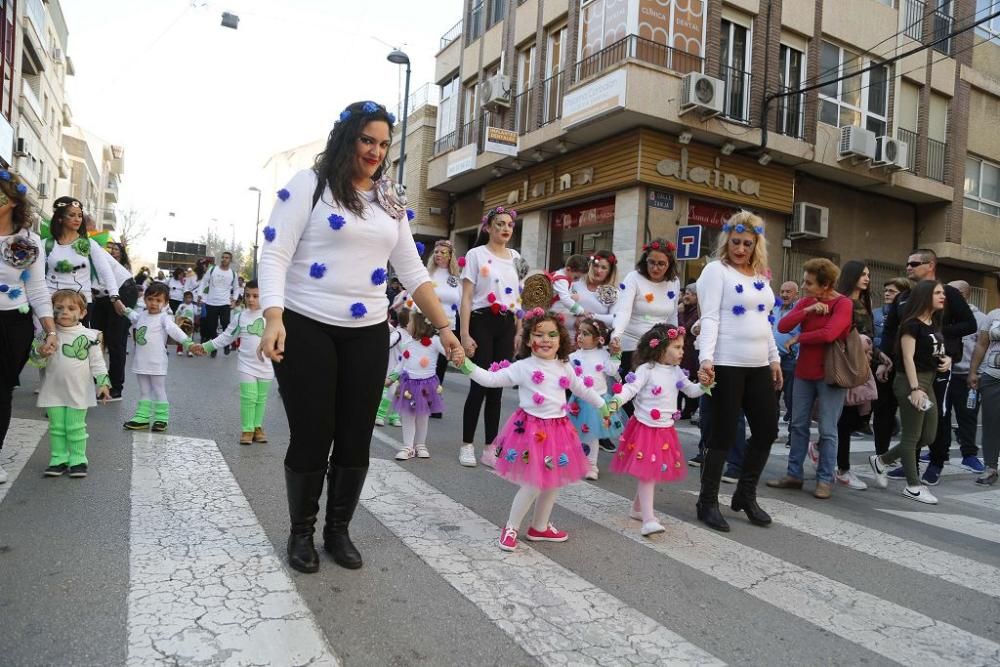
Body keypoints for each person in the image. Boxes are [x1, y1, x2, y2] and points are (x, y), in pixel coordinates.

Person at [257, 100, 463, 575]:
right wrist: (273, 317)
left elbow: (412, 270)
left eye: (384, 143)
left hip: (367, 332)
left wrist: (447, 330)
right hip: (306, 324)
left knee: (354, 438)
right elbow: (274, 256)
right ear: (347, 138)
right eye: (367, 140)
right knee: (313, 434)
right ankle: (301, 533)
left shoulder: (389, 199)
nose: (375, 151)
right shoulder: (308, 186)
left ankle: (338, 530)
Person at [455, 309, 608, 551]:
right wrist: (466, 365)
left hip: (559, 430)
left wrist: (602, 405)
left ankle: (540, 526)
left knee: (554, 481)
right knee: (535, 482)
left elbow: (581, 389)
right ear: (528, 340)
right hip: (532, 432)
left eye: (552, 335)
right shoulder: (523, 367)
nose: (546, 340)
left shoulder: (564, 366)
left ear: (561, 339)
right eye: (539, 334)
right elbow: (490, 379)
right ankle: (511, 526)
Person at [695, 212, 781, 532]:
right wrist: (706, 360)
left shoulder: (761, 275)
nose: (741, 249)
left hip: (758, 365)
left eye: (747, 243)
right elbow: (711, 318)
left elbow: (764, 321)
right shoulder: (716, 271)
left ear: (756, 243)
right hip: (726, 363)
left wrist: (773, 358)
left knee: (767, 430)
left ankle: (745, 495)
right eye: (735, 242)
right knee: (722, 435)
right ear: (726, 241)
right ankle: (707, 501)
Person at [878, 249, 976, 485]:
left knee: (937, 418)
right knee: (911, 419)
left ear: (930, 265)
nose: (908, 267)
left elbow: (969, 324)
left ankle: (935, 463)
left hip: (937, 366)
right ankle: (904, 462)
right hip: (905, 367)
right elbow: (892, 329)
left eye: (913, 263)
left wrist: (939, 340)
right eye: (907, 263)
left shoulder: (948, 293)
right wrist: (884, 356)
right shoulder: (905, 297)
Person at [609, 323, 711, 536]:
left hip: (664, 429)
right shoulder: (647, 369)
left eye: (682, 347)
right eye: (677, 347)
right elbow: (631, 388)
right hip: (645, 428)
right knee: (647, 474)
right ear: (660, 348)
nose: (682, 352)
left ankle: (637, 508)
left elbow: (690, 392)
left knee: (651, 472)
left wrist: (703, 385)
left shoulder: (676, 372)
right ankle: (648, 519)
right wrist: (616, 401)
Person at [766, 259, 852, 499]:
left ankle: (825, 479)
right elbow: (783, 326)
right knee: (797, 425)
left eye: (809, 283)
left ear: (825, 285)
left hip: (830, 374)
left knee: (827, 429)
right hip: (804, 372)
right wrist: (807, 310)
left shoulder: (843, 304)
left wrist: (799, 339)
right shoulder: (806, 302)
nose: (804, 286)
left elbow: (830, 334)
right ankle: (794, 474)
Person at [868, 280, 949, 504]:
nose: (943, 296)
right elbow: (907, 358)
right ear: (925, 296)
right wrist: (915, 389)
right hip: (910, 383)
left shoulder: (933, 322)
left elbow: (936, 350)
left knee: (929, 435)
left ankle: (882, 461)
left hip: (928, 382)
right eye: (938, 292)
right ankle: (913, 486)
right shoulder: (911, 324)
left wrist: (947, 359)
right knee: (912, 436)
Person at [0, 170, 57, 484]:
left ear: (10, 201)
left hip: (13, 325)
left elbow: (37, 289)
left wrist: (50, 331)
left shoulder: (28, 241)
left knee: (1, 392)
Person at [459, 205, 525, 468]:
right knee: (479, 384)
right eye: (499, 224)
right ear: (488, 227)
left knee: (497, 387)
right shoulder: (476, 254)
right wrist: (464, 334)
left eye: (509, 224)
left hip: (508, 324)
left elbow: (519, 296)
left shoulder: (516, 257)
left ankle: (490, 446)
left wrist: (520, 330)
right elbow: (465, 298)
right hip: (481, 321)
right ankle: (466, 445)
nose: (505, 228)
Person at [33, 290, 111, 477]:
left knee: (75, 427)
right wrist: (41, 353)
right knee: (57, 428)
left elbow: (97, 362)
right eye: (59, 308)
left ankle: (78, 459)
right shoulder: (46, 335)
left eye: (71, 308)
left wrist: (103, 383)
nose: (65, 312)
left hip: (79, 391)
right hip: (53, 390)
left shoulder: (91, 336)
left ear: (82, 313)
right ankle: (58, 459)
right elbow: (34, 359)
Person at [191, 281, 273, 445]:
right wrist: (206, 347)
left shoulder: (272, 317)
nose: (250, 299)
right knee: (249, 397)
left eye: (255, 296)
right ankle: (247, 429)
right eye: (247, 295)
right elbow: (227, 337)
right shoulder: (240, 317)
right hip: (246, 365)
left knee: (261, 398)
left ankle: (257, 426)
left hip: (267, 365)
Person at [121, 282, 194, 432]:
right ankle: (142, 417)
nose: (153, 303)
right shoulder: (142, 315)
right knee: (144, 390)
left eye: (158, 300)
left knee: (159, 389)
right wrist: (122, 306)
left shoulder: (164, 318)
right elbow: (132, 315)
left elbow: (175, 331)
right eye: (150, 299)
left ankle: (161, 418)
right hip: (140, 361)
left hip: (157, 362)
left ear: (166, 303)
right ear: (145, 300)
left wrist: (188, 343)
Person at [610, 239, 680, 392]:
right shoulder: (633, 278)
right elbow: (624, 311)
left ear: (670, 264)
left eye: (661, 264)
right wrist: (616, 335)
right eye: (651, 262)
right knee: (630, 394)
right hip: (633, 347)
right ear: (645, 261)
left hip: (660, 349)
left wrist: (677, 342)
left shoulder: (674, 282)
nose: (655, 268)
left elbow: (673, 315)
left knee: (656, 393)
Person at [44, 197, 125, 325]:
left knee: (77, 343)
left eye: (80, 215)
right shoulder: (46, 244)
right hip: (51, 303)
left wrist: (115, 297)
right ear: (60, 218)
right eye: (72, 215)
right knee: (47, 341)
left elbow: (106, 271)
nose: (77, 219)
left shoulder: (90, 244)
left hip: (80, 304)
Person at [833, 261, 874, 491]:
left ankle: (822, 449)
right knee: (846, 417)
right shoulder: (844, 302)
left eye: (868, 274)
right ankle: (843, 468)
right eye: (862, 274)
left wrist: (879, 356)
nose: (867, 278)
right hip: (847, 366)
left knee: (856, 417)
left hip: (863, 366)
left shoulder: (862, 304)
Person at [567, 318, 624, 480]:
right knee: (575, 434)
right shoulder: (573, 356)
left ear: (598, 338)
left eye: (585, 334)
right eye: (579, 332)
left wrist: (616, 354)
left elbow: (612, 370)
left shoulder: (603, 354)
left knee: (592, 435)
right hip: (578, 401)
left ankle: (592, 464)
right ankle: (577, 461)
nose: (580, 336)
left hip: (598, 400)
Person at [938, 280, 986, 472]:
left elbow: (982, 347)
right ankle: (941, 451)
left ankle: (969, 455)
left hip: (967, 375)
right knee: (942, 415)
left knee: (967, 416)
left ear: (962, 295)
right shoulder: (942, 314)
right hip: (944, 372)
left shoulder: (979, 319)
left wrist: (975, 372)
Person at [388, 310, 448, 460]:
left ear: (419, 325)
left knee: (423, 416)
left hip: (427, 386)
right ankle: (408, 446)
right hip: (408, 385)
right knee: (407, 416)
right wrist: (391, 378)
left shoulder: (435, 341)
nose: (407, 325)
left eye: (410, 322)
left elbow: (448, 352)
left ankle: (421, 444)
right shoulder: (408, 342)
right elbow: (402, 364)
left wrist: (457, 353)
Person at [90, 240, 136, 401]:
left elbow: (105, 275)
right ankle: (98, 381)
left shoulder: (88, 245)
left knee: (115, 341)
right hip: (102, 294)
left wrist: (115, 298)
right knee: (94, 338)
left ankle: (116, 387)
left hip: (122, 290)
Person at [872, 277, 911, 453]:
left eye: (893, 291)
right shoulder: (876, 313)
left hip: (904, 366)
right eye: (886, 290)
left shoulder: (909, 313)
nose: (888, 294)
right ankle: (881, 451)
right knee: (882, 410)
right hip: (881, 364)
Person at [968, 285, 1000, 486]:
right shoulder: (994, 314)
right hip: (992, 376)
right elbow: (982, 344)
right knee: (991, 424)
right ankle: (990, 467)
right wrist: (973, 371)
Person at [428, 240, 461, 418]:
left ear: (450, 256)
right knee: (426, 363)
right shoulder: (428, 275)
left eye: (442, 252)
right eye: (436, 251)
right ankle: (418, 398)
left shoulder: (456, 279)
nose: (438, 254)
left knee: (440, 365)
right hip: (428, 325)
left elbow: (462, 304)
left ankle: (434, 402)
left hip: (449, 327)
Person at [199, 251, 238, 357]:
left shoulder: (233, 273)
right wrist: (200, 295)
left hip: (225, 304)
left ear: (230, 260)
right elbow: (203, 282)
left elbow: (236, 288)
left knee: (226, 325)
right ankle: (213, 347)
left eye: (227, 258)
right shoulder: (212, 269)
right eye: (223, 257)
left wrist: (234, 300)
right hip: (211, 303)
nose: (224, 259)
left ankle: (226, 345)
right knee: (212, 327)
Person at [375, 308, 409, 428]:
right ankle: (380, 415)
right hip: (393, 367)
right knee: (390, 392)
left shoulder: (412, 336)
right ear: (408, 322)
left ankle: (395, 416)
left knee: (402, 393)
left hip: (405, 370)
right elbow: (387, 343)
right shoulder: (398, 333)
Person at [772, 281, 800, 426]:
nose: (784, 294)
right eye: (782, 291)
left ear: (796, 294)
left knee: (791, 398)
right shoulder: (775, 308)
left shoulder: (799, 310)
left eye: (788, 292)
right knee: (771, 398)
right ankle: (770, 432)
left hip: (790, 360)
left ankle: (792, 435)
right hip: (773, 359)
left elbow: (803, 333)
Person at [572, 250, 619, 330]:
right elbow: (562, 307)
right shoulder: (576, 284)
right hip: (569, 336)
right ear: (590, 265)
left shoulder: (613, 293)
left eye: (603, 268)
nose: (598, 270)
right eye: (596, 265)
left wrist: (591, 317)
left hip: (595, 339)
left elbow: (615, 318)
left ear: (610, 272)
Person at [548, 254, 590, 340]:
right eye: (576, 277)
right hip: (554, 312)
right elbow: (565, 300)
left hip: (555, 311)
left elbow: (560, 294)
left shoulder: (561, 275)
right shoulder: (562, 280)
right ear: (568, 269)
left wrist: (571, 296)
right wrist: (581, 311)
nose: (577, 280)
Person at [678, 283, 701, 421]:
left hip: (691, 353)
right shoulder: (684, 309)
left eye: (690, 294)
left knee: (689, 379)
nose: (686, 296)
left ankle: (689, 410)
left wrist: (680, 313)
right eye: (685, 293)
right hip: (681, 351)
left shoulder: (697, 311)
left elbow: (684, 330)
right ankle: (678, 409)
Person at [174, 291, 197, 356]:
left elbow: (197, 313)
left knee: (190, 337)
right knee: (181, 337)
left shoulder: (193, 306)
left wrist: (199, 307)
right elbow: (177, 313)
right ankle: (179, 349)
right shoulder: (181, 305)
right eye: (186, 298)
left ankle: (189, 350)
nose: (188, 299)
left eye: (190, 298)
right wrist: (181, 310)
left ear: (192, 298)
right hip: (182, 324)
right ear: (184, 298)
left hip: (190, 324)